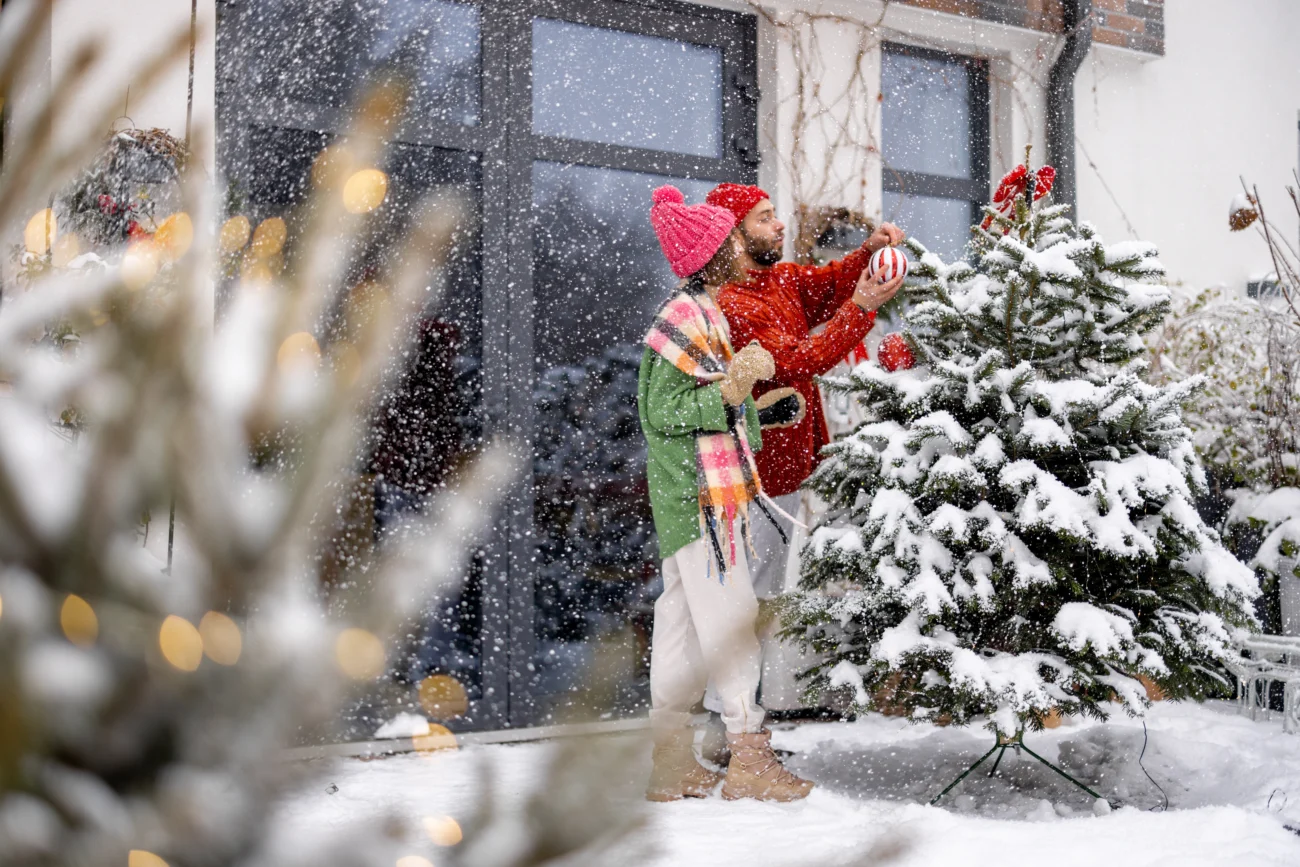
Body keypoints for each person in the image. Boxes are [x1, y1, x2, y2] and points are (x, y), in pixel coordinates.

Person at [698, 184, 905, 755]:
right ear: (735, 234)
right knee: (746, 599)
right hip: (753, 475)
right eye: (765, 219)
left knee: (761, 598)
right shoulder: (732, 305)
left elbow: (827, 284)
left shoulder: (782, 281)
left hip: (787, 470)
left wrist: (867, 255)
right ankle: (728, 729)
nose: (780, 225)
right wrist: (862, 308)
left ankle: (740, 725)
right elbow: (798, 360)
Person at [639, 185, 814, 803]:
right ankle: (748, 756)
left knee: (682, 627)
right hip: (701, 501)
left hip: (707, 494)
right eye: (731, 237)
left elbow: (712, 404)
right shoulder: (682, 320)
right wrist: (735, 391)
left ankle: (668, 760)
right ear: (712, 251)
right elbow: (665, 410)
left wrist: (760, 406)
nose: (741, 244)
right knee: (732, 621)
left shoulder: (705, 312)